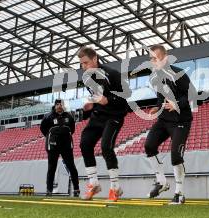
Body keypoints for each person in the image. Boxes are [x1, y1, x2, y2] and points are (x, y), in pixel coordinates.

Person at [78, 46, 131, 201]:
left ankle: (115, 188)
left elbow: (124, 98)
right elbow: (96, 98)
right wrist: (91, 106)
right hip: (98, 115)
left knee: (106, 147)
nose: (83, 67)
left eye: (86, 63)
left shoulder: (112, 74)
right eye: (81, 64)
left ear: (95, 59)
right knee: (85, 143)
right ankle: (93, 184)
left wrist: (108, 100)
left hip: (115, 115)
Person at [144, 44, 194, 205]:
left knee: (175, 155)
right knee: (149, 145)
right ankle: (161, 181)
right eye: (150, 58)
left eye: (155, 58)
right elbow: (161, 97)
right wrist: (157, 107)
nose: (152, 61)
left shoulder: (178, 73)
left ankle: (179, 193)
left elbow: (192, 95)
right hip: (164, 120)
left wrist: (176, 104)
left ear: (164, 58)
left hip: (181, 121)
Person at [40, 99, 79, 197]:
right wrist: (51, 136)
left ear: (63, 105)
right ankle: (49, 190)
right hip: (53, 146)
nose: (59, 106)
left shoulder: (69, 116)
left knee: (72, 167)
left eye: (61, 104)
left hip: (66, 146)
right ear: (54, 106)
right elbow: (43, 129)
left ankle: (76, 189)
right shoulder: (48, 116)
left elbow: (72, 129)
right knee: (51, 168)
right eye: (57, 104)